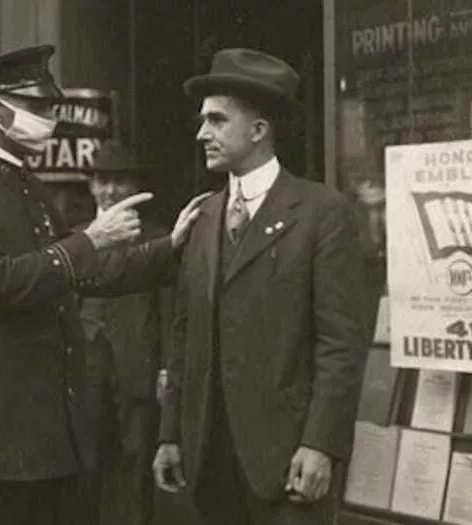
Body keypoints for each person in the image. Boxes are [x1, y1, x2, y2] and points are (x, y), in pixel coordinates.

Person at [0, 45, 207, 525]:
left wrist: (168, 249)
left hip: (51, 437)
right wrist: (90, 240)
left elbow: (83, 275)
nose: (50, 119)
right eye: (39, 108)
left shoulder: (25, 185)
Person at [152, 48, 368, 525]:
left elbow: (340, 345)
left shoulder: (322, 214)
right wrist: (170, 435)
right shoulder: (203, 216)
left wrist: (320, 443)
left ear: (258, 130)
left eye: (216, 120)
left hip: (288, 457)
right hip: (209, 457)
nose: (200, 133)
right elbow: (183, 337)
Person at [78, 140, 173, 525]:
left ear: (135, 187)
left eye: (120, 181)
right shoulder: (76, 237)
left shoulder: (158, 237)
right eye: (102, 181)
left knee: (136, 466)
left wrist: (167, 367)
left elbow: (168, 310)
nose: (111, 190)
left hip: (136, 367)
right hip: (83, 368)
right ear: (91, 186)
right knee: (84, 467)